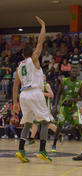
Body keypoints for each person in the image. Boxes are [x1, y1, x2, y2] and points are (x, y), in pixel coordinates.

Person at [13, 16, 52, 162]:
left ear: (23, 55)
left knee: (28, 122)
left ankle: (21, 150)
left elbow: (15, 85)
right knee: (45, 121)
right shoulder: (34, 58)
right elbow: (41, 41)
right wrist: (43, 25)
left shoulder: (19, 66)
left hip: (23, 96)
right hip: (35, 92)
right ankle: (42, 150)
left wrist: (15, 103)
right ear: (32, 53)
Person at [51, 68, 82, 152]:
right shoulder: (64, 81)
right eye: (73, 71)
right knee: (59, 125)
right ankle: (54, 144)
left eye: (76, 71)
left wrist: (73, 100)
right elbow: (58, 93)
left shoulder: (80, 83)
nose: (74, 72)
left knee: (79, 125)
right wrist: (55, 106)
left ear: (78, 73)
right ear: (70, 72)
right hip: (63, 108)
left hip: (73, 108)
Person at [28, 75, 57, 144]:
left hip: (45, 108)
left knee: (48, 124)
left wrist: (42, 93)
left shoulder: (46, 85)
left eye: (43, 77)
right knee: (35, 122)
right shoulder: (36, 86)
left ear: (45, 78)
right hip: (37, 107)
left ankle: (60, 134)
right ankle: (31, 139)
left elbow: (51, 95)